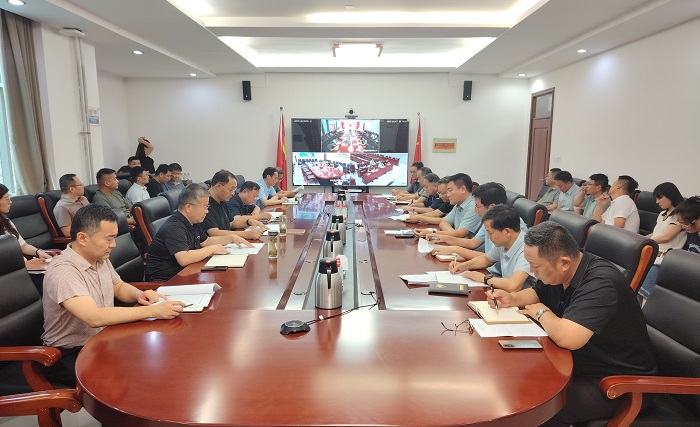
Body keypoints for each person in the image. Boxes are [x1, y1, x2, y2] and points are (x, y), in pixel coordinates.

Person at [489, 221, 657, 426]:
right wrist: (513, 299)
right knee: (509, 379)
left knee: (524, 406)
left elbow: (568, 337)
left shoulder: (601, 282)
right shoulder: (561, 271)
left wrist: (541, 312)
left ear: (564, 263)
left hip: (617, 383)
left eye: (536, 267)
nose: (532, 272)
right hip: (578, 365)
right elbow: (538, 293)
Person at [42, 204, 185, 387]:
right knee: (136, 377)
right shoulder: (63, 271)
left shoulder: (98, 257)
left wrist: (140, 295)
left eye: (114, 238)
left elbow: (118, 287)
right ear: (83, 238)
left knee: (160, 356)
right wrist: (153, 311)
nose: (113, 245)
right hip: (69, 354)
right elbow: (93, 317)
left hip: (102, 339)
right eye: (108, 239)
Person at [145, 184, 247, 281]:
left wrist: (230, 238)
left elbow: (206, 241)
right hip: (166, 282)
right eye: (204, 207)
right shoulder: (174, 227)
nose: (207, 211)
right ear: (188, 207)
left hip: (186, 273)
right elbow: (184, 258)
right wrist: (212, 249)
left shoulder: (193, 221)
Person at [431, 182, 528, 276]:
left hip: (498, 276)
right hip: (490, 272)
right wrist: (445, 239)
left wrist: (455, 249)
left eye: (477, 206)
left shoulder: (511, 227)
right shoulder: (490, 220)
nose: (475, 210)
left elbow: (512, 281)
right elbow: (474, 244)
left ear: (492, 207)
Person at [449, 205, 535, 292]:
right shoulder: (504, 242)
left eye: (490, 233)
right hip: (507, 294)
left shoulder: (527, 249)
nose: (488, 236)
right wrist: (463, 266)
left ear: (507, 231)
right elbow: (487, 259)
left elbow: (513, 285)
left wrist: (484, 278)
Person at [638, 183, 687, 300]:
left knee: (645, 282)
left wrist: (645, 242)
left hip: (665, 258)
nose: (657, 202)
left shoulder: (679, 216)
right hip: (653, 253)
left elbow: (666, 237)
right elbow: (656, 234)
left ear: (671, 196)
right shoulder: (662, 214)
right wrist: (639, 239)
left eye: (659, 198)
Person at [201, 170, 264, 242]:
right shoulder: (205, 204)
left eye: (234, 190)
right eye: (231, 189)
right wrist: (245, 234)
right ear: (218, 186)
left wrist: (248, 222)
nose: (233, 193)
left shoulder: (222, 201)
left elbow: (231, 223)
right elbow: (214, 233)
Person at [415, 173, 480, 238]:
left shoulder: (474, 206)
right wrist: (452, 233)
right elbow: (443, 222)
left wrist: (432, 232)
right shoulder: (458, 204)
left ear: (463, 189)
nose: (448, 195)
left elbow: (460, 234)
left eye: (450, 191)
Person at [0, 184, 53, 260]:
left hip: (23, 263)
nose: (10, 202)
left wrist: (38, 252)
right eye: (7, 199)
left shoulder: (6, 221)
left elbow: (23, 246)